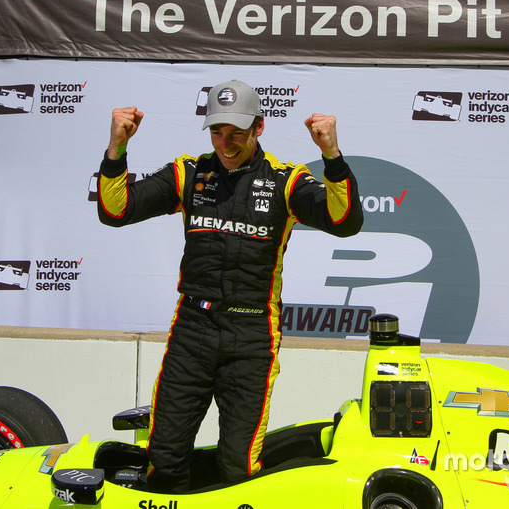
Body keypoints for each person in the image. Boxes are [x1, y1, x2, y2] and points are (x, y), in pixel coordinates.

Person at [96, 79, 363, 493]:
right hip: (192, 332)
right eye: (217, 131)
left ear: (259, 127)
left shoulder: (285, 181)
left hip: (252, 337)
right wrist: (117, 148)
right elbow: (117, 210)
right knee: (164, 459)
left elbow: (345, 222)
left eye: (236, 132)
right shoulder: (189, 173)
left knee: (238, 466)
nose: (226, 142)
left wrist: (331, 156)